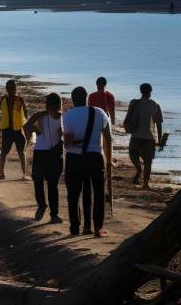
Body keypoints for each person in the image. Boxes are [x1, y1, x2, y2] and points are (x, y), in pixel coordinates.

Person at [62, 86, 113, 237]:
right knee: (98, 193)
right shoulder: (99, 112)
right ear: (86, 98)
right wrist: (109, 160)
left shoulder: (67, 116)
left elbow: (67, 143)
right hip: (96, 157)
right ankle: (97, 228)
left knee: (73, 194)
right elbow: (108, 138)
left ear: (72, 99)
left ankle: (75, 228)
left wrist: (76, 141)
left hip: (74, 158)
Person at [25, 93, 64, 223]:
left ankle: (53, 214)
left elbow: (64, 134)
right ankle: (43, 206)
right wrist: (36, 130)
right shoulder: (41, 116)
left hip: (52, 153)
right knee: (39, 181)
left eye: (48, 103)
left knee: (51, 184)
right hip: (42, 152)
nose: (47, 106)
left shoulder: (63, 118)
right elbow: (27, 126)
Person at [124, 83, 165, 189]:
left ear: (141, 91)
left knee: (133, 156)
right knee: (148, 162)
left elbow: (128, 117)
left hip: (136, 136)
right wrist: (159, 139)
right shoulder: (155, 105)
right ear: (150, 92)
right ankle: (145, 183)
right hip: (149, 138)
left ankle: (138, 169)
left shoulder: (134, 103)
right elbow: (159, 124)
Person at [0, 79, 28, 180]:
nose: (13, 89)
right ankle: (3, 173)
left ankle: (22, 174)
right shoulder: (14, 99)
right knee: (8, 152)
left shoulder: (18, 99)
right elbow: (26, 113)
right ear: (8, 89)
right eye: (12, 88)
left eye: (14, 88)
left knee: (19, 152)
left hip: (15, 130)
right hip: (11, 130)